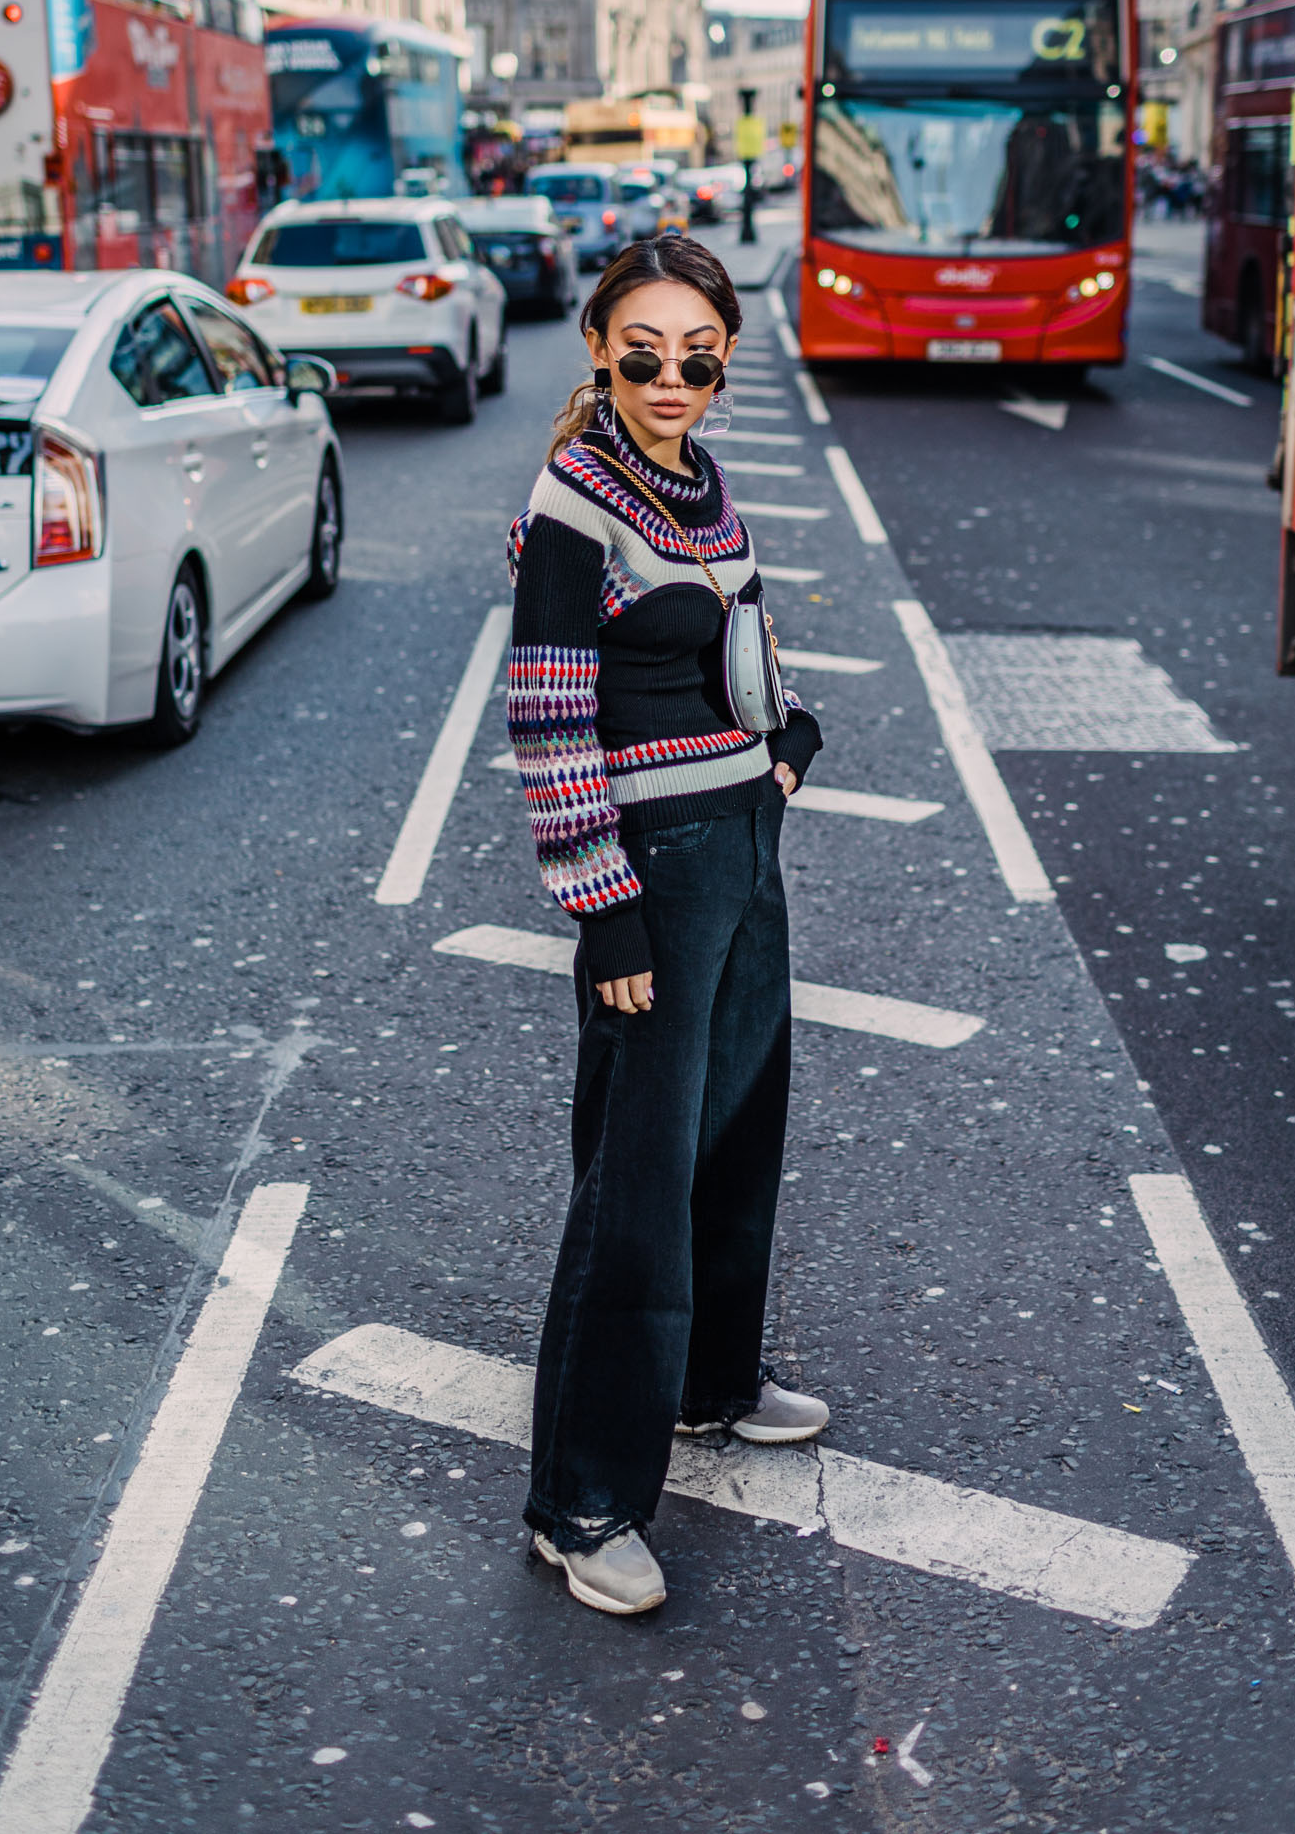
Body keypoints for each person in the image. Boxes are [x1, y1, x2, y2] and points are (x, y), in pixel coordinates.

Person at [505, 236, 827, 1616]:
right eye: (644, 348)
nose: (671, 373)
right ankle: (579, 1502)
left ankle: (708, 1385)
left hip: (741, 844)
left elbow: (739, 624)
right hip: (652, 863)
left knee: (737, 1125)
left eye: (699, 351)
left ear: (726, 358)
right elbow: (547, 713)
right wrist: (604, 914)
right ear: (597, 347)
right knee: (634, 1178)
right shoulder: (575, 493)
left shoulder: (696, 478)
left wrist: (790, 730)